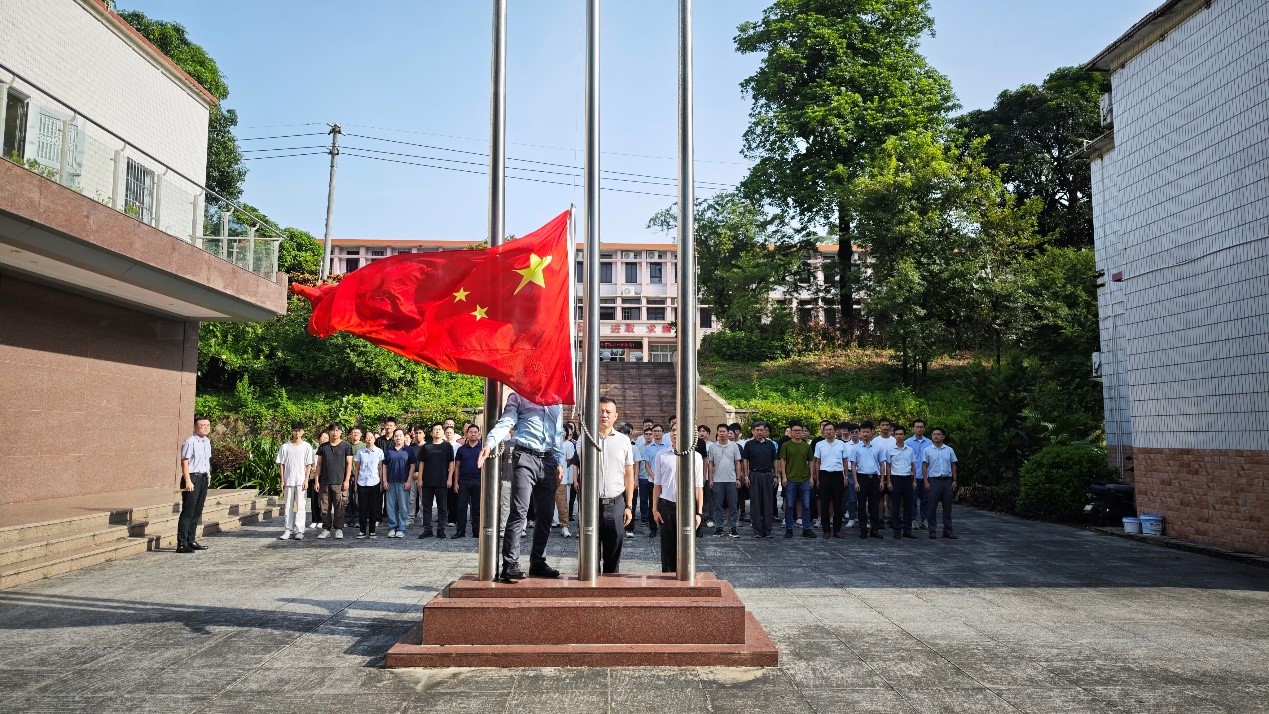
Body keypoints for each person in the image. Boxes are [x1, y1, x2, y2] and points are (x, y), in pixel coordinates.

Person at [480, 392, 566, 583]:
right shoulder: (519, 396)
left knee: (546, 514)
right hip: (525, 456)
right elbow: (507, 420)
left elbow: (558, 433)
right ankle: (510, 564)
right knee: (519, 511)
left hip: (549, 460)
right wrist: (490, 442)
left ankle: (538, 561)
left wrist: (559, 462)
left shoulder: (556, 400)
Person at [651, 425, 704, 573]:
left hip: (687, 508)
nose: (675, 433)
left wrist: (699, 513)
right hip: (666, 507)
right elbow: (657, 485)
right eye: (673, 430)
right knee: (667, 548)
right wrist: (654, 509)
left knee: (686, 548)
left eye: (679, 430)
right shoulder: (662, 455)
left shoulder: (695, 457)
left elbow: (698, 487)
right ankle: (667, 579)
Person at [593, 397, 635, 572]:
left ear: (615, 416)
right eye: (601, 411)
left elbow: (629, 475)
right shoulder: (586, 438)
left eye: (608, 412)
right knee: (590, 555)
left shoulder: (623, 440)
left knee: (613, 555)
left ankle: (610, 585)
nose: (604, 415)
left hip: (616, 503)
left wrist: (629, 506)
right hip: (592, 504)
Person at [176, 415, 213, 553]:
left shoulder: (207, 441)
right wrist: (188, 480)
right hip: (192, 478)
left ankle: (191, 540)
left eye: (207, 425)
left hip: (203, 478)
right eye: (202, 425)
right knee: (188, 511)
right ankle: (182, 543)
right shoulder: (190, 442)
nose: (205, 428)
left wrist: (208, 475)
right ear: (195, 427)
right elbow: (184, 462)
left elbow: (206, 461)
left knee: (197, 511)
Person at [275, 421, 315, 540]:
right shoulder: (285, 446)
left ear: (303, 432)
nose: (297, 433)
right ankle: (288, 530)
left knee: (301, 506)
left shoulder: (306, 446)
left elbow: (308, 464)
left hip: (301, 480)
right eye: (295, 430)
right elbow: (281, 464)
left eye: (299, 430)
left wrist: (306, 480)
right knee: (288, 506)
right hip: (288, 480)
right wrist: (282, 479)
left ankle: (300, 530)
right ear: (292, 431)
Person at [415, 423, 456, 539]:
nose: (437, 431)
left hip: (442, 481)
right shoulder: (426, 447)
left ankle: (441, 529)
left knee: (442, 507)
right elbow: (421, 463)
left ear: (442, 432)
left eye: (439, 429)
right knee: (426, 506)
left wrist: (450, 478)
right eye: (434, 429)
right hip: (427, 481)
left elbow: (451, 463)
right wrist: (420, 479)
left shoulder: (447, 446)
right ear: (431, 432)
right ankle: (427, 529)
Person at [313, 423, 353, 540]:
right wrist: (316, 480)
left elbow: (349, 464)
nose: (335, 433)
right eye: (332, 430)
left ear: (341, 432)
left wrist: (346, 480)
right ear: (329, 432)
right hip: (325, 481)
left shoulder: (346, 446)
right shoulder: (323, 447)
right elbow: (319, 464)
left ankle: (338, 528)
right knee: (324, 507)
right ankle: (326, 529)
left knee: (340, 506)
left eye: (337, 430)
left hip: (339, 482)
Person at [779, 421, 816, 539]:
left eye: (799, 431)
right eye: (795, 430)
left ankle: (806, 529)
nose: (797, 432)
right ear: (791, 432)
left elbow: (811, 461)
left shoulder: (806, 446)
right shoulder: (786, 445)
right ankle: (789, 529)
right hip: (790, 479)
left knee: (806, 505)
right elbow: (782, 461)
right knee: (789, 505)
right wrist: (784, 476)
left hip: (804, 479)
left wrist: (811, 477)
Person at [741, 421, 778, 538]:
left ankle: (767, 530)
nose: (760, 432)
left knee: (768, 503)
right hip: (754, 474)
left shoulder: (770, 444)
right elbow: (745, 460)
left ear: (765, 431)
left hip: (767, 475)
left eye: (762, 430)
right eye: (757, 430)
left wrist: (776, 476)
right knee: (755, 504)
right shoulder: (749, 444)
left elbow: (775, 461)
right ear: (753, 431)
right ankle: (757, 531)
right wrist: (746, 476)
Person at [812, 421, 849, 538]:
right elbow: (817, 462)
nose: (828, 432)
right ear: (823, 431)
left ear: (835, 431)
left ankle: (837, 530)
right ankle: (826, 530)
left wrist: (846, 477)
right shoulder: (819, 445)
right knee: (825, 503)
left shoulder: (841, 444)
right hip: (824, 475)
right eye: (826, 430)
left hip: (838, 475)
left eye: (830, 429)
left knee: (838, 503)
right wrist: (817, 478)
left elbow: (845, 461)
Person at [922, 427, 959, 539]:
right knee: (932, 506)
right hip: (934, 480)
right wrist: (925, 481)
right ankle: (932, 530)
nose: (936, 436)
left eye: (938, 434)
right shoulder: (927, 450)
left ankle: (948, 530)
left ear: (943, 436)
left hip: (947, 480)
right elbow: (924, 466)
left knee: (947, 507)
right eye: (934, 434)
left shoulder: (949, 450)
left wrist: (954, 480)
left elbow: (953, 465)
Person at [851, 421, 885, 539]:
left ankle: (874, 529)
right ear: (860, 433)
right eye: (863, 432)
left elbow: (882, 464)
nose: (865, 434)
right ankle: (863, 529)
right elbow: (853, 466)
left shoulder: (878, 447)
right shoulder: (856, 448)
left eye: (867, 432)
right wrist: (856, 482)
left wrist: (882, 480)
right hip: (861, 478)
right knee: (861, 505)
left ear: (872, 433)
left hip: (874, 478)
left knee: (874, 505)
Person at [707, 423, 742, 538]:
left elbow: (737, 462)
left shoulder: (734, 446)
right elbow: (710, 463)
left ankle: (732, 528)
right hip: (717, 480)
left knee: (733, 505)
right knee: (717, 505)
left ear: (728, 433)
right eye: (720, 431)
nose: (722, 433)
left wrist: (738, 478)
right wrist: (710, 479)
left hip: (731, 479)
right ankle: (719, 528)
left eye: (724, 431)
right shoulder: (713, 447)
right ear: (717, 433)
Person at [382, 428, 415, 538]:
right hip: (390, 482)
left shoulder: (408, 450)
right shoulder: (389, 450)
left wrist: (409, 480)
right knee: (391, 506)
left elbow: (412, 466)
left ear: (404, 437)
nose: (398, 437)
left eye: (400, 435)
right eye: (396, 435)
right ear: (393, 437)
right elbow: (384, 466)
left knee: (403, 507)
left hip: (403, 482)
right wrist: (385, 480)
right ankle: (392, 527)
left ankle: (401, 528)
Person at [885, 425, 917, 539]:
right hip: (896, 479)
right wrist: (889, 481)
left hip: (907, 479)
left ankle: (907, 530)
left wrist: (914, 480)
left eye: (901, 434)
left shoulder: (910, 450)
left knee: (908, 505)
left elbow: (913, 465)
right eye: (897, 434)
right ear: (894, 435)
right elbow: (888, 466)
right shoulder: (890, 450)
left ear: (904, 435)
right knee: (896, 505)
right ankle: (896, 530)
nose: (899, 436)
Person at [454, 424, 483, 539]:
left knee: (477, 507)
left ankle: (477, 531)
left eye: (475, 432)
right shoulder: (461, 449)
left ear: (479, 434)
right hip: (463, 481)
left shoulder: (482, 448)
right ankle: (460, 530)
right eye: (471, 432)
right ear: (467, 434)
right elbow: (457, 467)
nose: (473, 434)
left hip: (478, 480)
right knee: (461, 507)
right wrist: (456, 482)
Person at [353, 436, 385, 538]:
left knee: (373, 507)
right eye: (367, 438)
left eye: (371, 437)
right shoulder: (360, 452)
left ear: (374, 439)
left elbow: (381, 469)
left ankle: (372, 531)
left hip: (375, 482)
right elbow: (357, 468)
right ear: (365, 440)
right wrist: (355, 483)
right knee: (362, 508)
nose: (369, 439)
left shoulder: (379, 451)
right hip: (362, 482)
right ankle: (362, 531)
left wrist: (381, 483)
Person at [640, 424, 669, 538]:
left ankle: (664, 527)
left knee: (664, 505)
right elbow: (646, 464)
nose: (657, 433)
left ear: (662, 433)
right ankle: (653, 529)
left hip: (665, 481)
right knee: (653, 504)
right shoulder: (648, 448)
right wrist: (653, 477)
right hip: (652, 481)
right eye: (655, 431)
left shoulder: (667, 447)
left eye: (659, 431)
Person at [907, 419, 932, 531]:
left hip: (926, 476)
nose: (919, 429)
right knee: (912, 500)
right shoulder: (908, 442)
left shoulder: (929, 443)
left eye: (921, 427)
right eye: (917, 427)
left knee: (925, 500)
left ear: (924, 428)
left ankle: (924, 519)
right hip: (913, 476)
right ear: (913, 428)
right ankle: (913, 520)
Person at [556, 423, 578, 538]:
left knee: (562, 503)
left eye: (564, 430)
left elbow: (570, 461)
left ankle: (564, 526)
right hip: (548, 478)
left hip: (562, 478)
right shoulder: (551, 443)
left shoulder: (568, 445)